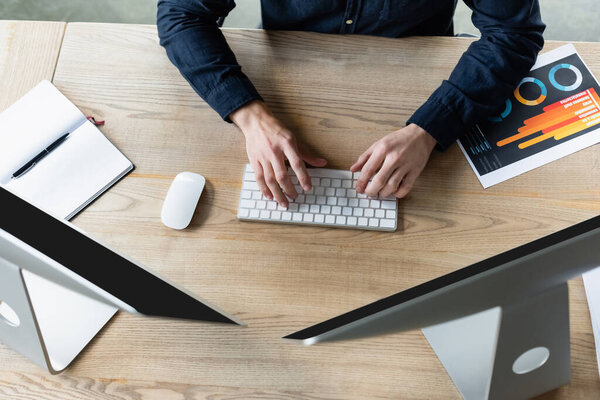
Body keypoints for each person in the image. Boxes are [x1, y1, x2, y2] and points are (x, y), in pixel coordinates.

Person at [157, 1, 545, 208]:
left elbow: (513, 33)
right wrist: (249, 115)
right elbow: (181, 13)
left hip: (419, 77)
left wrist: (429, 129)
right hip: (288, 72)